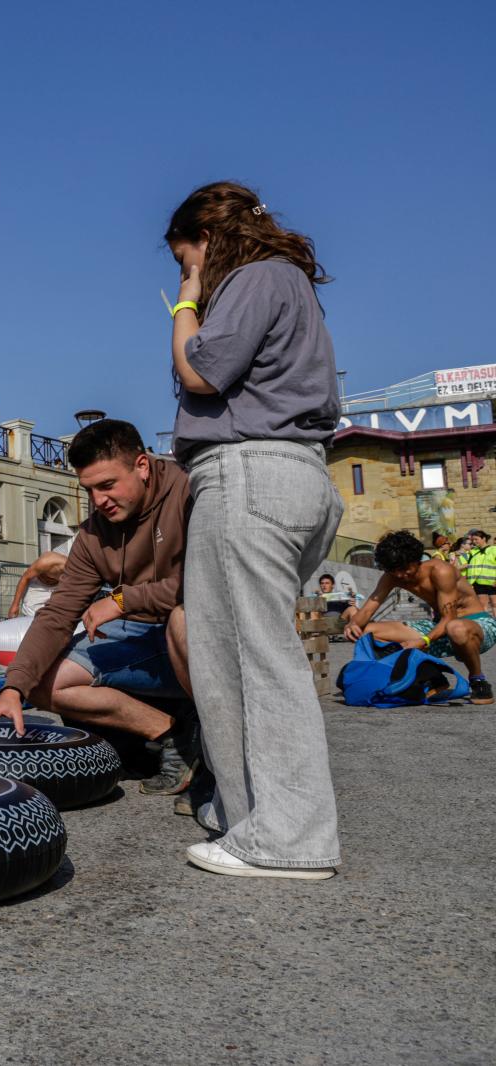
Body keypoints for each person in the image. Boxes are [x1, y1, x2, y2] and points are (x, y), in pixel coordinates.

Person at [165, 180, 344, 880]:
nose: (187, 276)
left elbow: (203, 371)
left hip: (249, 472)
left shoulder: (253, 276)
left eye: (186, 257)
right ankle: (249, 820)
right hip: (291, 473)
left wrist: (186, 298)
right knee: (232, 657)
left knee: (248, 657)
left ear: (207, 241)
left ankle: (288, 839)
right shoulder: (290, 282)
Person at [0, 419, 196, 793]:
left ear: (141, 466)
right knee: (42, 683)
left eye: (107, 485)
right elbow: (58, 614)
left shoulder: (190, 493)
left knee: (183, 618)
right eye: (89, 489)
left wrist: (125, 599)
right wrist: (12, 689)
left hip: (198, 629)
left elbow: (211, 582)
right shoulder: (96, 530)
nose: (98, 501)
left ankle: (218, 744)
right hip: (142, 638)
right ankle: (172, 732)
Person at [345, 530, 495, 704]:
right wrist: (353, 624)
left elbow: (450, 618)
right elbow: (368, 610)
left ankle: (478, 680)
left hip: (476, 625)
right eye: (394, 571)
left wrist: (424, 640)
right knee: (366, 631)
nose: (401, 575)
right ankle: (431, 677)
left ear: (416, 559)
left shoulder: (441, 571)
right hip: (439, 627)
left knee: (456, 628)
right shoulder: (392, 576)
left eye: (404, 568)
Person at [8, 551, 67, 618]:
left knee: (59, 614)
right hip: (38, 586)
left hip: (57, 585)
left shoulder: (73, 570)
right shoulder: (44, 562)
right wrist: (15, 605)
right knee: (31, 613)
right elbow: (25, 578)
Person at [462, 529, 496, 613]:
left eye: (476, 539)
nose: (474, 541)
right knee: (482, 605)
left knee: (494, 604)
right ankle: (485, 625)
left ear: (484, 538)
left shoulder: (494, 550)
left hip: (492, 582)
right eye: (473, 540)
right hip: (478, 582)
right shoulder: (473, 552)